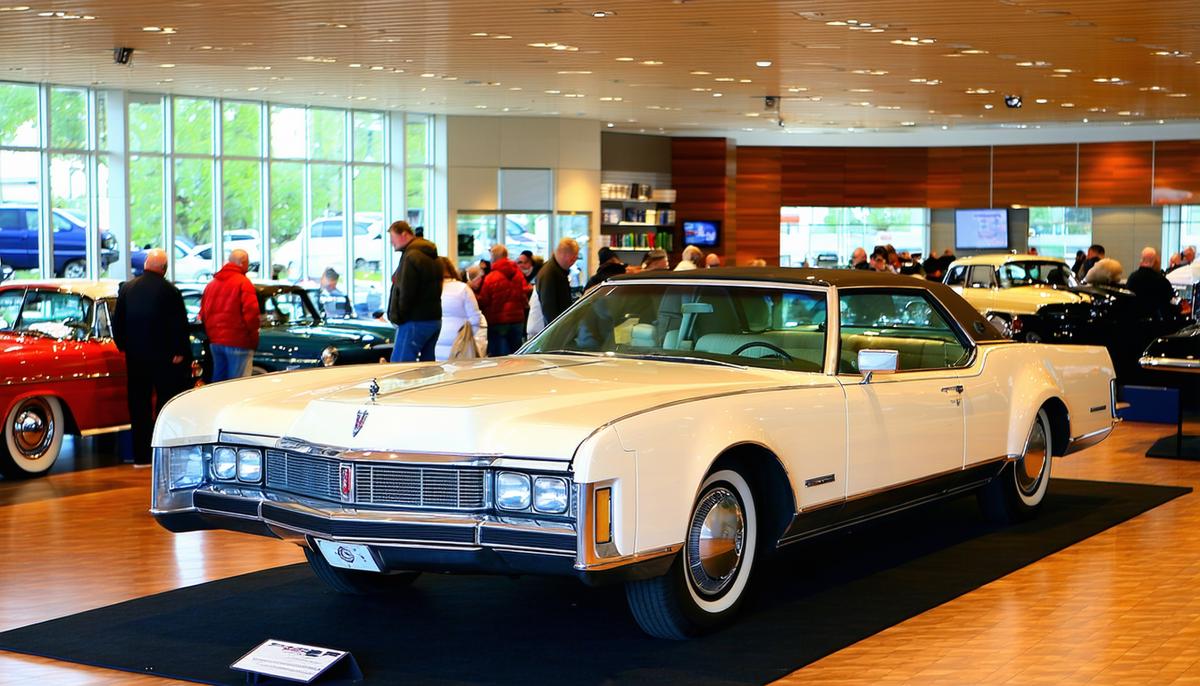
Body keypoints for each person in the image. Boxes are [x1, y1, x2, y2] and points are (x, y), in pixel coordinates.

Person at [112, 248, 191, 467]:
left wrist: (124, 346)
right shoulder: (170, 291)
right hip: (164, 358)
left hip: (135, 356)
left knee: (138, 404)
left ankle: (141, 457)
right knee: (166, 403)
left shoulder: (127, 289)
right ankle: (163, 452)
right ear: (164, 269)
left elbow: (117, 323)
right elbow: (179, 326)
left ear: (146, 265)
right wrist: (181, 352)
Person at [200, 249, 260, 382]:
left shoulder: (211, 285)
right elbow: (251, 314)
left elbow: (203, 314)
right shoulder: (244, 283)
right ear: (243, 263)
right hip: (239, 342)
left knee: (219, 384)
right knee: (238, 386)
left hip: (216, 342)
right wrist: (253, 340)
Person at [387, 221, 443, 362]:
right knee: (427, 369)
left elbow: (407, 292)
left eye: (393, 238)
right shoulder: (433, 256)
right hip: (434, 319)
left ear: (404, 234)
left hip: (415, 320)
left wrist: (398, 317)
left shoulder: (411, 256)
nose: (391, 243)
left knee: (400, 368)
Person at [477, 245, 529, 356]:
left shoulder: (491, 277)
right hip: (517, 320)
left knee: (500, 360)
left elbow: (484, 301)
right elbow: (524, 292)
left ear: (494, 257)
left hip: (498, 322)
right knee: (516, 356)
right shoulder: (518, 274)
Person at [434, 258, 486, 361]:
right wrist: (467, 336)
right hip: (459, 343)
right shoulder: (462, 288)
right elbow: (476, 318)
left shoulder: (431, 289)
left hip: (436, 342)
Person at [534, 237, 579, 328]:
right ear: (565, 255)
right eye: (573, 258)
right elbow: (549, 310)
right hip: (555, 331)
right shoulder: (549, 274)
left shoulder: (555, 271)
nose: (574, 261)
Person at [1125, 247, 1176, 315]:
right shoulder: (1162, 281)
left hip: (1134, 320)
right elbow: (1169, 301)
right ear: (1154, 262)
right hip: (1155, 322)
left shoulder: (1132, 278)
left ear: (1141, 260)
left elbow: (1127, 299)